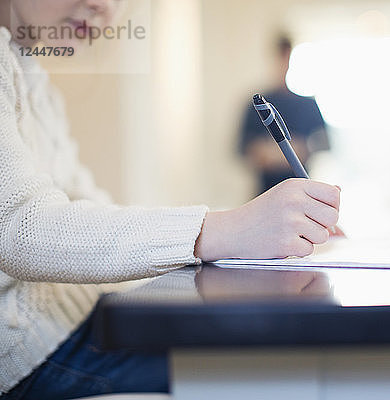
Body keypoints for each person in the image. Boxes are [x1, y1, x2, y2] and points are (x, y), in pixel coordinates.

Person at [0, 1, 340, 398]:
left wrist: (230, 227)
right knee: (270, 370)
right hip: (37, 359)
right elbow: (17, 227)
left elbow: (85, 201)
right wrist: (226, 228)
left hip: (78, 322)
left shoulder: (33, 78)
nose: (105, 7)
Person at [239, 35, 330, 194]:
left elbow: (324, 143)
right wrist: (262, 153)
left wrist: (303, 148)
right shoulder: (255, 104)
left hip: (302, 192)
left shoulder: (308, 105)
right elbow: (242, 147)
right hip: (264, 194)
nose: (283, 64)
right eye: (280, 57)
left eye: (287, 57)